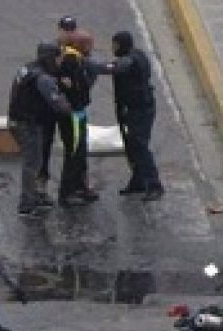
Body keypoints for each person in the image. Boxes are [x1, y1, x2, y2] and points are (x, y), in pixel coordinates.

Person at [40, 16, 100, 205]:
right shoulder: (71, 61)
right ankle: (67, 192)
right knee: (74, 151)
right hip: (73, 113)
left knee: (80, 151)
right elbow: (73, 87)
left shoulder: (79, 59)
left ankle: (80, 186)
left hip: (79, 112)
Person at [8, 42, 72, 217]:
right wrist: (68, 104)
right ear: (51, 58)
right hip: (28, 124)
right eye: (58, 58)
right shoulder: (43, 79)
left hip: (18, 121)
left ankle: (34, 196)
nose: (60, 62)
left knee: (34, 161)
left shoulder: (28, 69)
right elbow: (58, 103)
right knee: (32, 163)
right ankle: (27, 204)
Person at [102, 31, 165, 201]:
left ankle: (154, 184)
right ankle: (138, 180)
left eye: (115, 44)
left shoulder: (129, 60)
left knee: (139, 145)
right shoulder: (138, 55)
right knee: (132, 146)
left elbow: (118, 67)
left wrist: (93, 66)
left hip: (140, 109)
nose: (113, 48)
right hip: (133, 107)